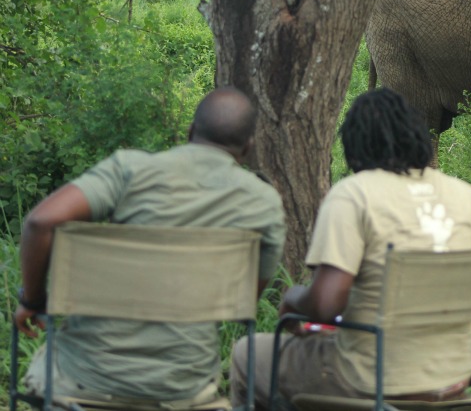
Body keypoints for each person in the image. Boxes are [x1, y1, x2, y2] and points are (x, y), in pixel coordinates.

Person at [14, 86, 287, 405]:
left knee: (52, 357)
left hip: (86, 376)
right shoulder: (264, 203)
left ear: (190, 131)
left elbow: (40, 222)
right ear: (248, 146)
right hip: (184, 385)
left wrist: (32, 300)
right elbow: (244, 301)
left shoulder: (129, 170)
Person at [230, 88, 471, 410]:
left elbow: (326, 305)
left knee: (248, 353)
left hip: (371, 379)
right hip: (458, 376)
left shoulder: (354, 194)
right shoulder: (465, 195)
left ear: (355, 148)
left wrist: (292, 299)